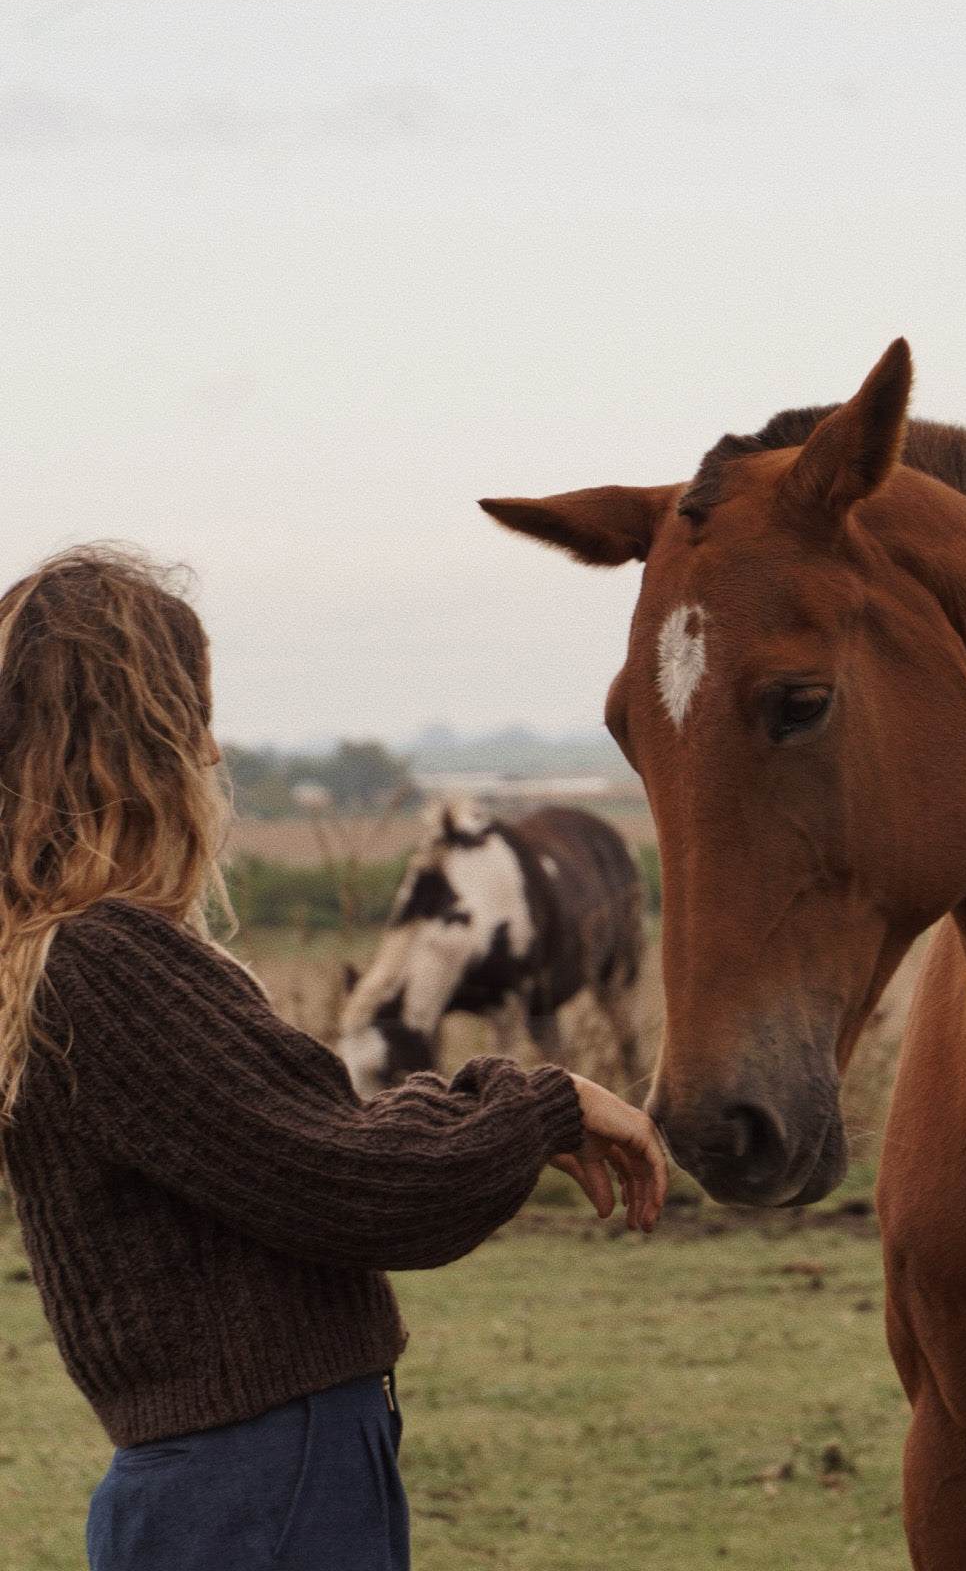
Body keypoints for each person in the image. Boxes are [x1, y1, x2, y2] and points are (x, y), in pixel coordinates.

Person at [0, 546, 668, 1571]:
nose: (214, 755)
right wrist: (538, 1103)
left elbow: (306, 1136)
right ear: (131, 743)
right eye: (194, 716)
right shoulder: (107, 964)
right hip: (258, 1482)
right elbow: (355, 1179)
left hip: (241, 1476)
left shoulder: (76, 958)